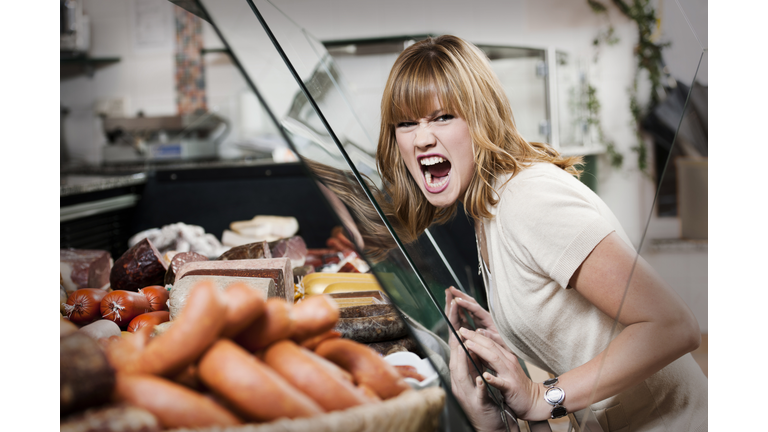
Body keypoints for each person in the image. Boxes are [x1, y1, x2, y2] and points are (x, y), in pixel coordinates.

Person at [375, 35, 707, 432]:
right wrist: (509, 331)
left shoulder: (527, 198)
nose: (422, 137)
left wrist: (541, 397)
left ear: (481, 117)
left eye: (443, 117)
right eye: (407, 123)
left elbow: (672, 325)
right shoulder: (486, 205)